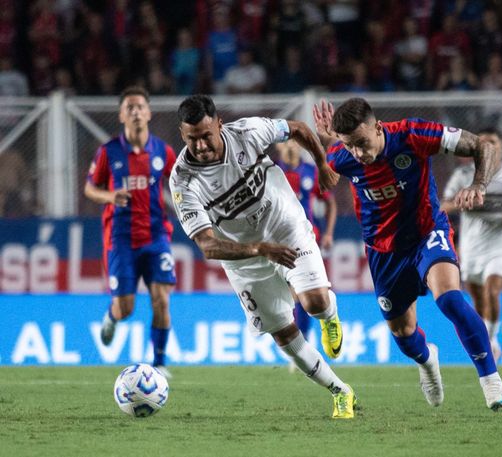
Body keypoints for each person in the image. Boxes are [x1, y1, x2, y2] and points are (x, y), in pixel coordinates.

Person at [313, 97, 502, 411]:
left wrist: (479, 184)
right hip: (383, 250)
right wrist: (331, 139)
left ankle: (491, 381)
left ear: (379, 128)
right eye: (351, 146)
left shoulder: (413, 134)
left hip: (427, 232)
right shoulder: (341, 156)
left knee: (449, 299)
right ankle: (428, 360)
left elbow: (482, 146)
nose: (359, 154)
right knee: (404, 334)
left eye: (363, 143)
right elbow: (338, 147)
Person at [169, 94, 355, 419]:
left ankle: (330, 318)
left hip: (284, 226)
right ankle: (340, 391)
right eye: (191, 139)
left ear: (219, 125)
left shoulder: (247, 132)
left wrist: (323, 162)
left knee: (314, 303)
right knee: (283, 332)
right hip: (243, 257)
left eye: (205, 135)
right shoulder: (182, 180)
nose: (200, 145)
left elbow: (296, 128)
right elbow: (207, 245)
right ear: (183, 135)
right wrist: (258, 249)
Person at [84, 86, 176, 377]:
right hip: (120, 240)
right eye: (130, 108)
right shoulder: (108, 152)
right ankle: (111, 318)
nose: (136, 112)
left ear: (148, 113)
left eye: (140, 107)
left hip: (156, 235)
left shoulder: (163, 151)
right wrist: (111, 197)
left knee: (161, 297)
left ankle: (159, 363)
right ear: (121, 115)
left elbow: (179, 183)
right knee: (126, 308)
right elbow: (89, 188)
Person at [441, 127, 502, 361]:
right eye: (483, 142)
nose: (488, 146)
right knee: (479, 299)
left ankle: (490, 342)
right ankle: (487, 340)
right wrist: (462, 202)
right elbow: (443, 205)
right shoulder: (463, 175)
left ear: (501, 146)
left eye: (493, 141)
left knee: (493, 290)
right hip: (473, 244)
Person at [275, 139, 337, 352]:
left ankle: (302, 345)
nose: (291, 145)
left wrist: (328, 233)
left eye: (294, 141)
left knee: (300, 291)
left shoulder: (311, 171)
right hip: (278, 239)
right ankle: (301, 343)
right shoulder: (272, 172)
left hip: (307, 238)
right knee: (294, 295)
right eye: (285, 142)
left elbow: (330, 202)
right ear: (278, 147)